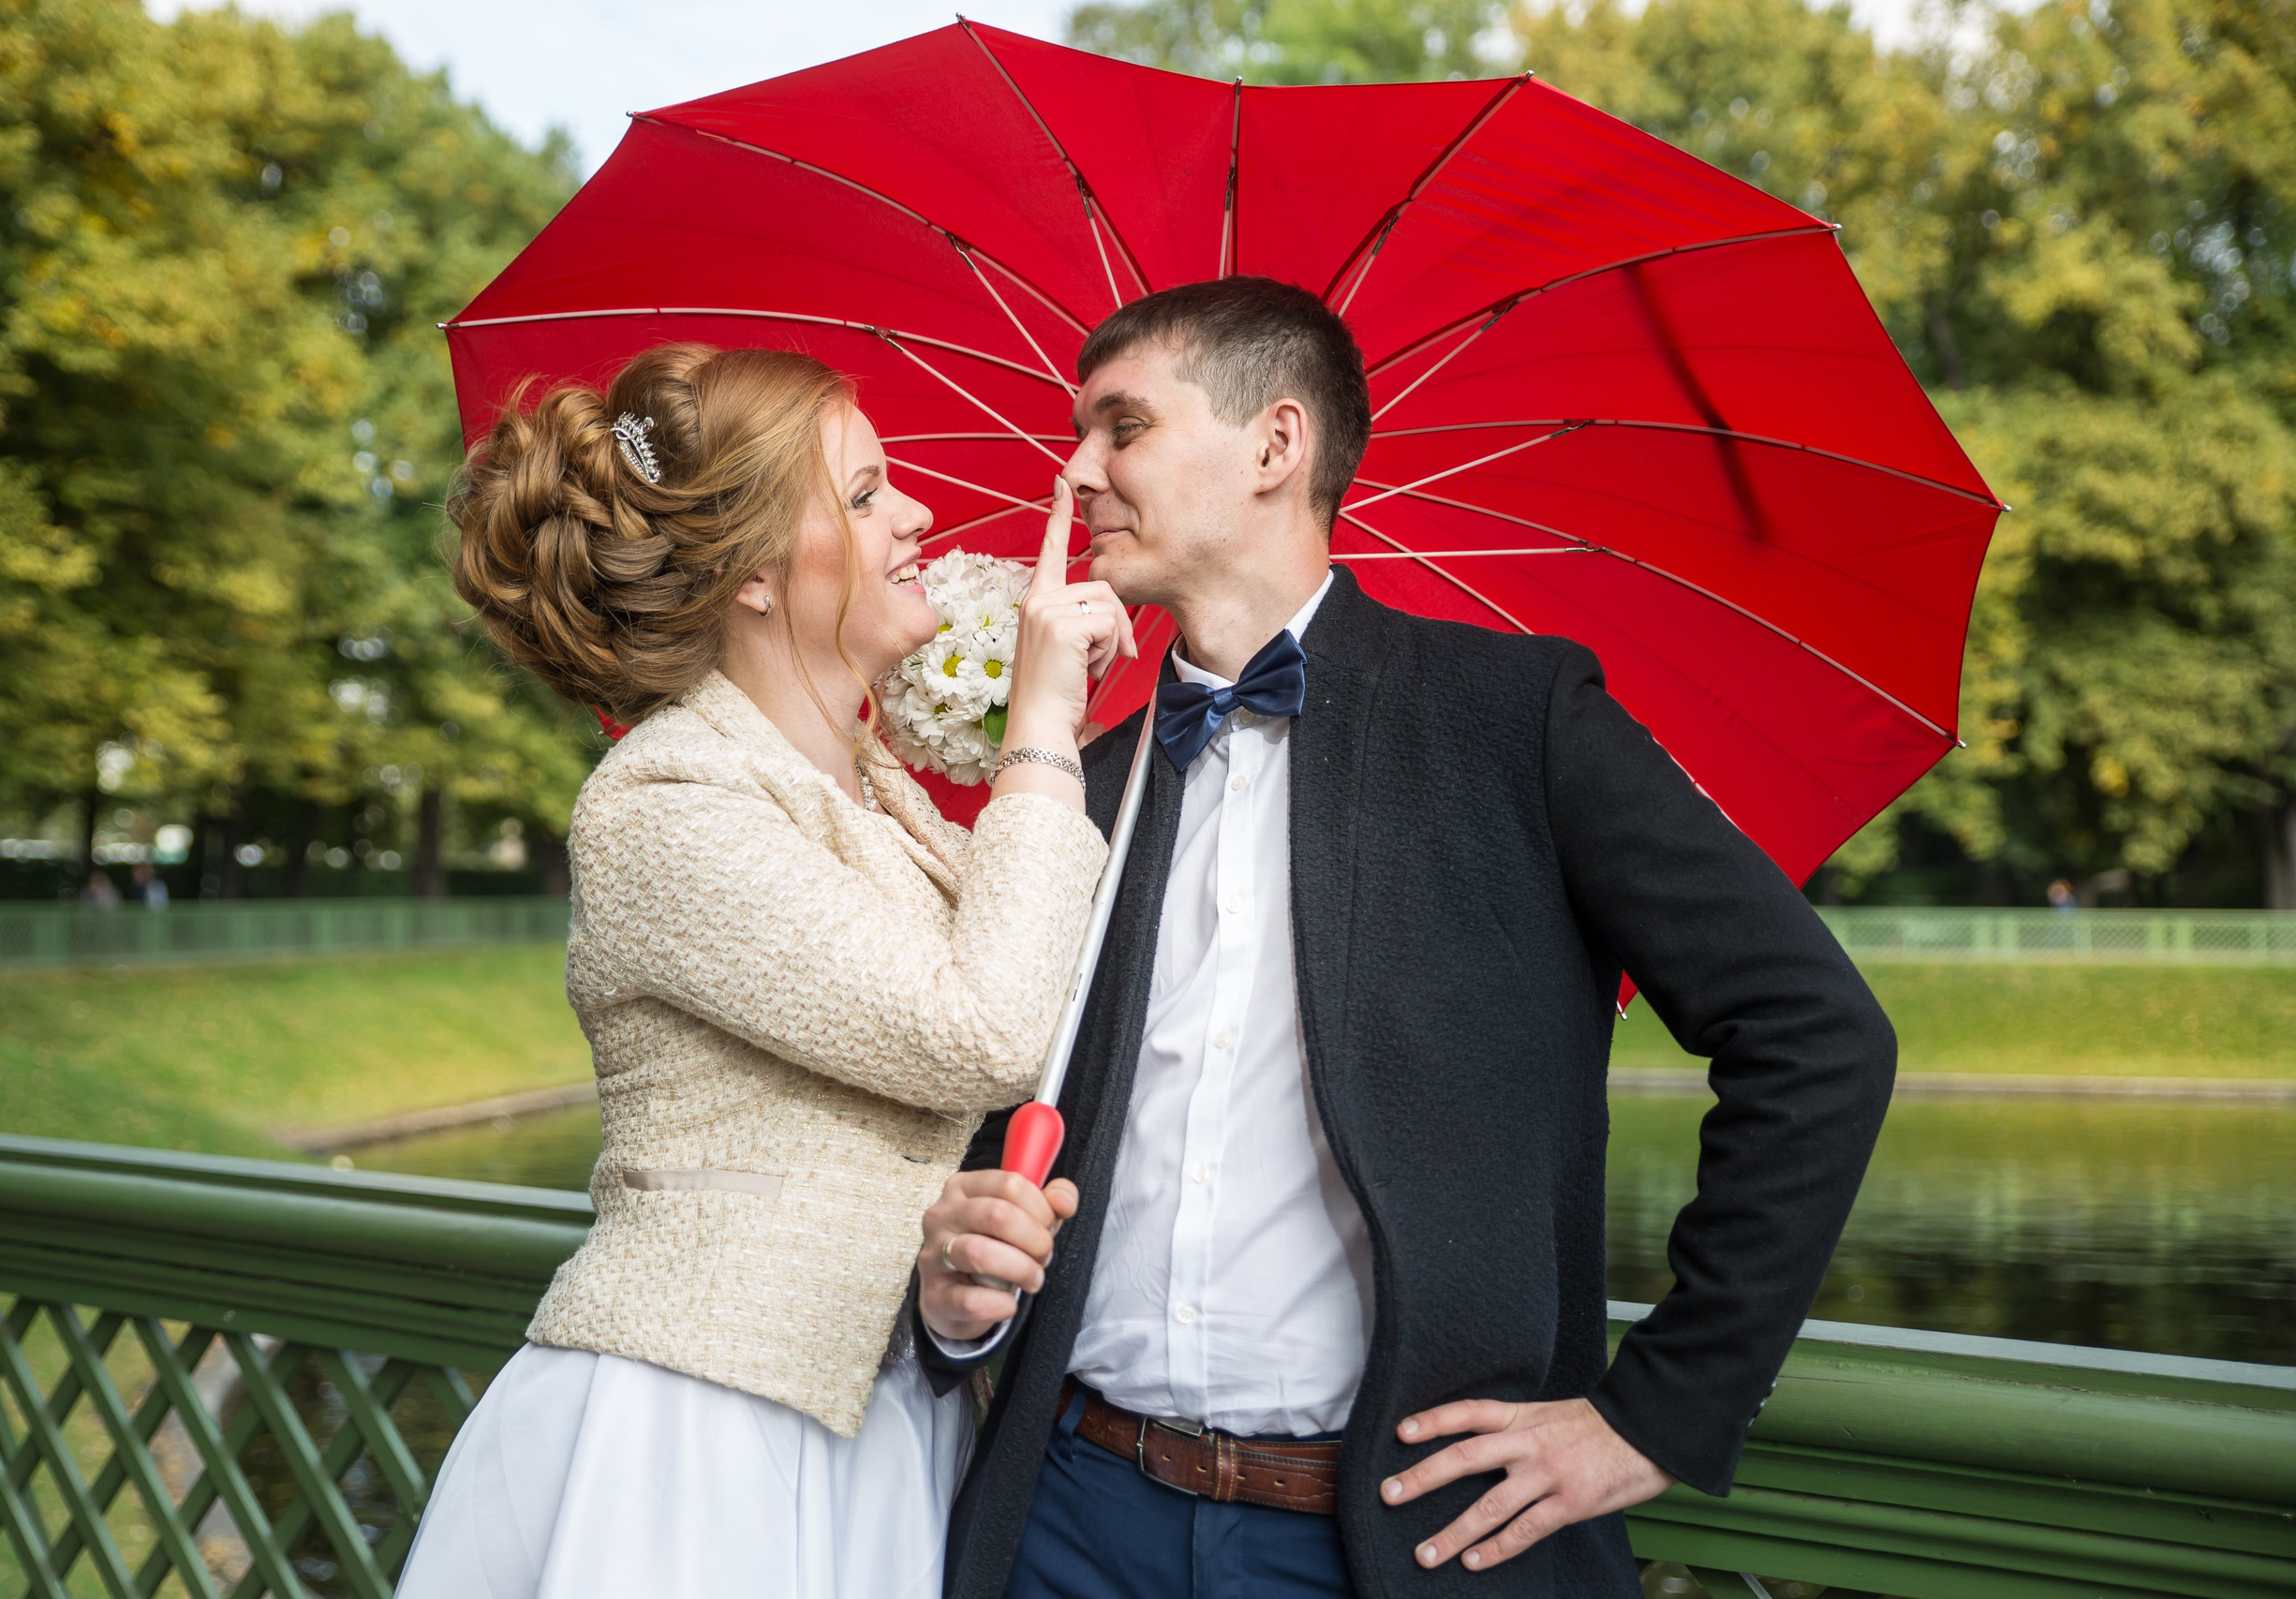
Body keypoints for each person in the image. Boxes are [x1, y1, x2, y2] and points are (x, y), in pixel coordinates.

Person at [913, 279, 1898, 1599]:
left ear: (1275, 447)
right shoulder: (1075, 788)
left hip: (1400, 1544)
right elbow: (988, 1107)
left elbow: (1815, 1037)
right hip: (1067, 1519)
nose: (1076, 469)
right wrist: (959, 1303)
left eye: (1121, 427)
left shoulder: (1516, 717)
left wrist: (1657, 1412)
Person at [395, 343, 1129, 1599]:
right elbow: (984, 1031)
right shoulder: (665, 802)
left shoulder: (887, 798)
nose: (917, 516)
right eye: (864, 493)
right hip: (699, 1434)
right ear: (750, 577)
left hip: (890, 1420)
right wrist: (1042, 731)